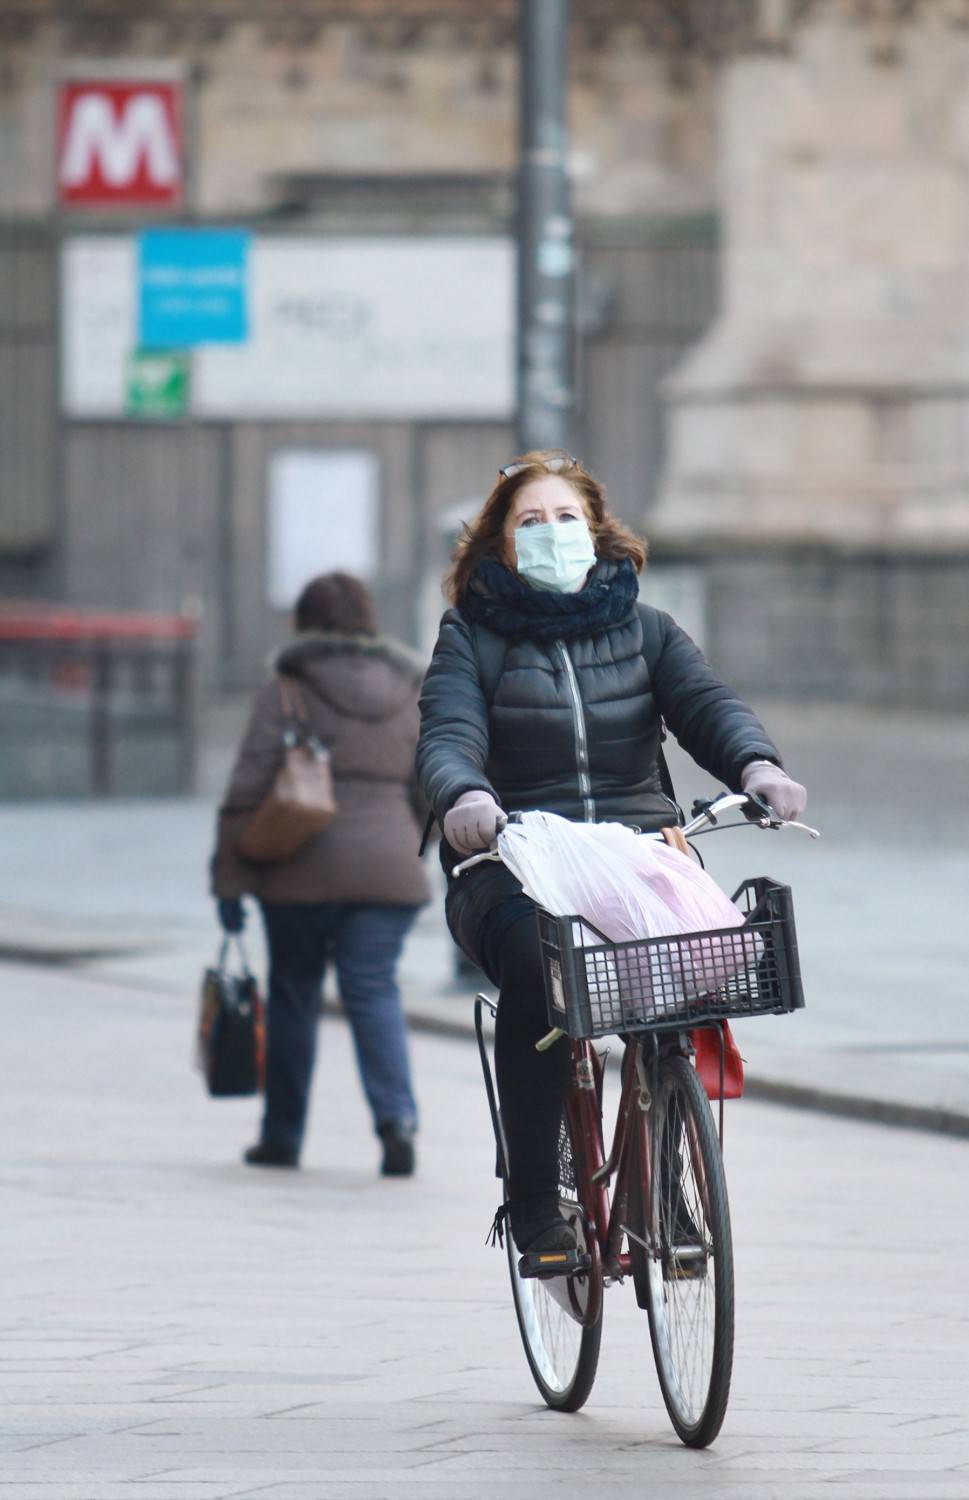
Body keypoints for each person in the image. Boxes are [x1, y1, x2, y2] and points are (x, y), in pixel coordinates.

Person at [416, 451, 807, 1256]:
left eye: (566, 518)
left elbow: (706, 707)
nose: (552, 533)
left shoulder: (647, 630)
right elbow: (448, 732)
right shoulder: (470, 637)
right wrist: (465, 799)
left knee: (685, 971)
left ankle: (663, 1181)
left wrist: (757, 765)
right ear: (500, 543)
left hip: (636, 854)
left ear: (595, 531)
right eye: (530, 521)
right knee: (539, 969)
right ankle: (534, 1208)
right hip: (514, 861)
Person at [211, 571, 429, 1176]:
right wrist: (408, 843)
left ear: (302, 624)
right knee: (373, 988)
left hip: (299, 870)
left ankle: (282, 1137)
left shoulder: (286, 690)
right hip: (389, 869)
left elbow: (247, 789)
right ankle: (396, 1122)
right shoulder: (409, 688)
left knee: (293, 996)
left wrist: (230, 883)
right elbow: (430, 787)